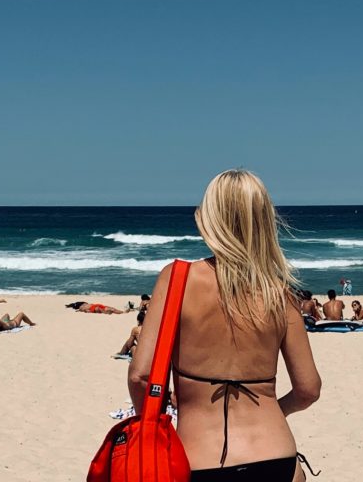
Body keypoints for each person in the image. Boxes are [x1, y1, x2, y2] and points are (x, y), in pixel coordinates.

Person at [128, 170, 321, 481]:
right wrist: (273, 412)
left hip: (198, 459)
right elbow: (308, 390)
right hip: (277, 457)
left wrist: (152, 427)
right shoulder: (280, 293)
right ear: (263, 220)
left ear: (209, 217)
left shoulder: (177, 279)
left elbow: (141, 376)